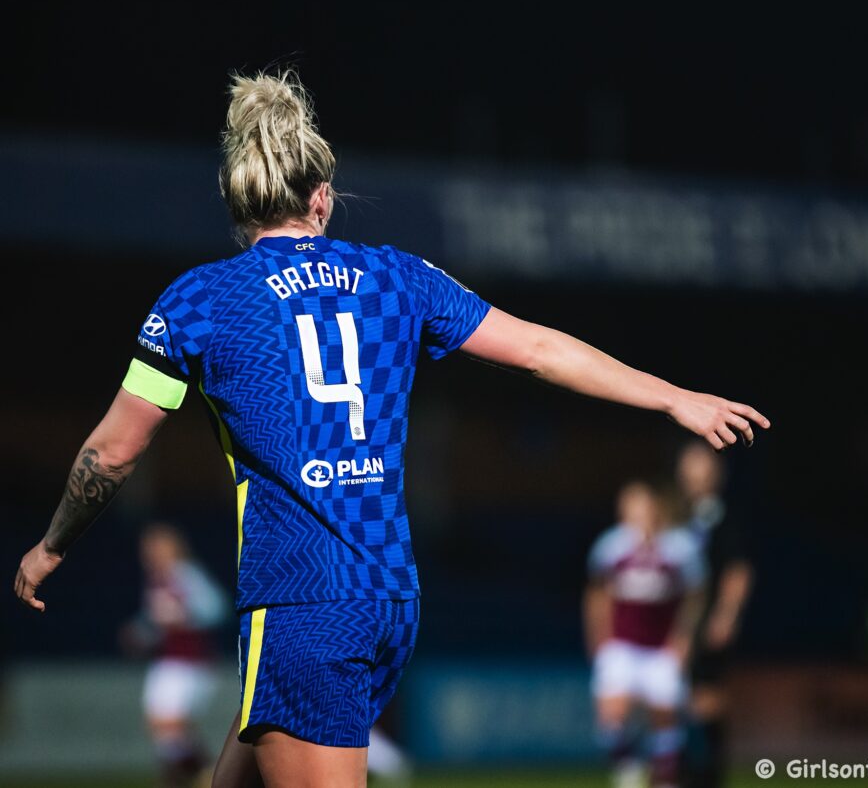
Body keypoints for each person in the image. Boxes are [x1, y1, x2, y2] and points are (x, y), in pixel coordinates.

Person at [13, 69, 770, 788]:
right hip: (387, 596)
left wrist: (52, 546)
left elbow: (113, 451)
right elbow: (539, 349)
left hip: (303, 599)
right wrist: (672, 396)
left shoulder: (198, 303)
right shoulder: (396, 277)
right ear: (323, 198)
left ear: (240, 205)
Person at [584, 481, 706, 788]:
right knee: (611, 715)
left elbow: (695, 595)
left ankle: (664, 779)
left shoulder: (679, 548)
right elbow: (597, 596)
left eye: (642, 506)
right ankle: (628, 772)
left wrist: (683, 638)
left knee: (664, 717)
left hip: (660, 647)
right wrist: (598, 637)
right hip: (622, 644)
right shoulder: (610, 547)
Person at [121, 523, 229, 787]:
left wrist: (182, 616)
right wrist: (141, 634)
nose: (148, 553)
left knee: (168, 726)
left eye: (155, 547)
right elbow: (157, 621)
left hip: (189, 662)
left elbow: (216, 609)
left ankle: (209, 775)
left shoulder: (186, 574)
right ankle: (184, 777)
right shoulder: (158, 578)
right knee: (164, 729)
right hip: (169, 660)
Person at [675, 441, 756, 788]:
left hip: (706, 622)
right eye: (688, 468)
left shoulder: (722, 515)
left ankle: (707, 775)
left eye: (700, 468)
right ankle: (678, 773)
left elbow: (738, 571)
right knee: (674, 700)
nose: (693, 476)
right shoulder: (677, 514)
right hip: (676, 623)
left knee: (706, 700)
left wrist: (726, 614)